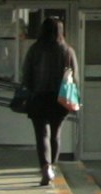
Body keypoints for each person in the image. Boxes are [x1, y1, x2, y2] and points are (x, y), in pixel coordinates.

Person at [16, 14, 79, 185]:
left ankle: (45, 168)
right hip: (60, 99)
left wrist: (29, 88)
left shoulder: (35, 49)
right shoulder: (67, 51)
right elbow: (75, 79)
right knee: (56, 134)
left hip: (39, 97)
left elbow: (26, 75)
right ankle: (52, 167)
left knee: (42, 134)